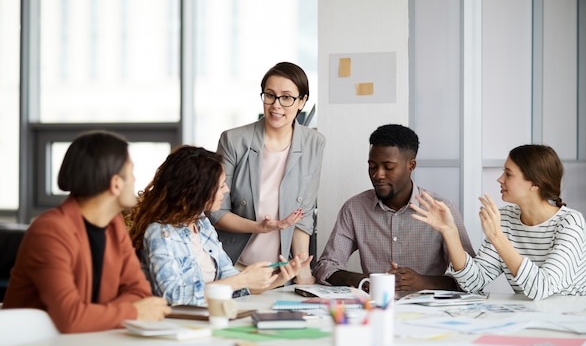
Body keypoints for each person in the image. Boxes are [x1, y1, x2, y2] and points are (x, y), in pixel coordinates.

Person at [3, 131, 171, 333]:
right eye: (132, 172)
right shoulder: (50, 231)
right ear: (116, 184)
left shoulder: (114, 225)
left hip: (88, 342)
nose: (135, 180)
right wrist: (133, 313)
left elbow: (139, 291)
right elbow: (70, 318)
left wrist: (94, 314)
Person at [127, 145, 312, 306]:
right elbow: (173, 296)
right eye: (221, 185)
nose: (227, 190)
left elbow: (231, 282)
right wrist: (241, 279)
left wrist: (278, 279)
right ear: (198, 191)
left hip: (210, 317)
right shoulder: (160, 233)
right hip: (178, 324)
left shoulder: (203, 225)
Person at [410, 144, 586, 300]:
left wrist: (497, 237)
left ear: (535, 184)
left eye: (508, 174)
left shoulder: (570, 223)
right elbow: (472, 282)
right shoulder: (507, 219)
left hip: (571, 319)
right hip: (531, 316)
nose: (500, 179)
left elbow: (542, 287)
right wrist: (450, 232)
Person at [313, 124, 476, 292]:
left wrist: (424, 283)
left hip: (431, 311)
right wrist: (365, 280)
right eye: (372, 166)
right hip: (376, 308)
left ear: (411, 165)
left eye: (388, 167)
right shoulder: (354, 209)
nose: (378, 175)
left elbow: (471, 277)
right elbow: (326, 267)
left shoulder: (442, 209)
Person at [207, 61, 325, 284]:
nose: (276, 105)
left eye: (287, 97)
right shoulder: (233, 140)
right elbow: (217, 212)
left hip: (280, 273)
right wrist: (259, 227)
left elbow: (303, 215)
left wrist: (302, 273)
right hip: (232, 267)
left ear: (302, 101)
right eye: (270, 95)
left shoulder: (313, 143)